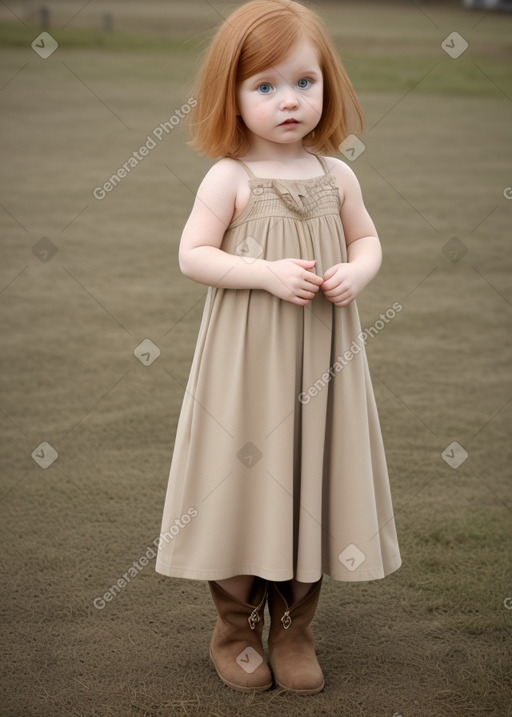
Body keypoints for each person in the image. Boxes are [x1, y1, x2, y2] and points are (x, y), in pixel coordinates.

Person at [155, 0, 401, 696]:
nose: (287, 100)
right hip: (247, 367)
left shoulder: (336, 175)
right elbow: (193, 255)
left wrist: (358, 268)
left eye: (303, 82)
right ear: (231, 95)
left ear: (327, 85)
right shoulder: (228, 177)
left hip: (322, 358)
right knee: (240, 488)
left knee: (311, 483)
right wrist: (264, 273)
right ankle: (234, 629)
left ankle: (293, 628)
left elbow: (367, 238)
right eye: (264, 86)